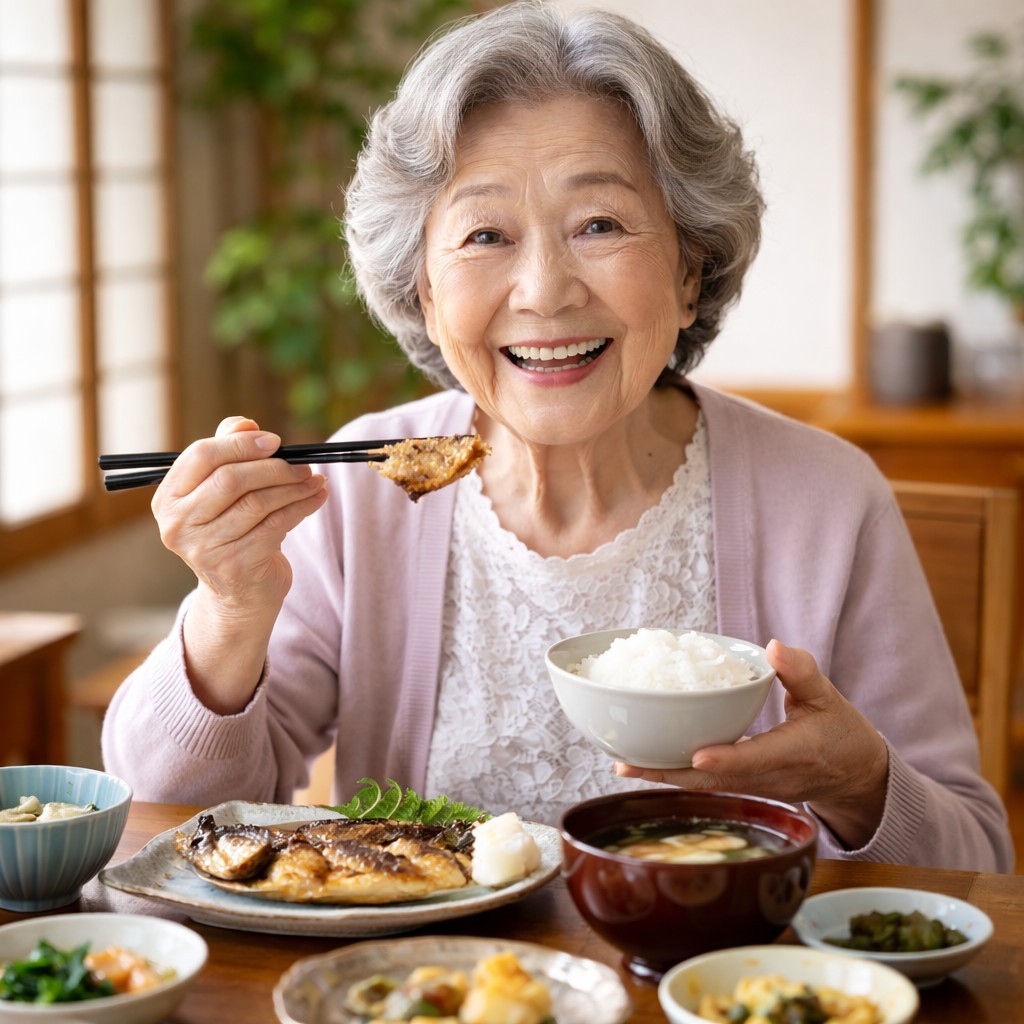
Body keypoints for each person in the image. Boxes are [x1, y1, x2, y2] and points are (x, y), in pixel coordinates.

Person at [102, 0, 1013, 871]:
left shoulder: (828, 498)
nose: (544, 291)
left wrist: (859, 784)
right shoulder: (363, 493)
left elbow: (977, 862)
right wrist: (228, 610)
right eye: (485, 233)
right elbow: (165, 820)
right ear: (422, 287)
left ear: (692, 269)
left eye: (600, 224)